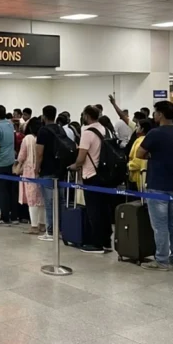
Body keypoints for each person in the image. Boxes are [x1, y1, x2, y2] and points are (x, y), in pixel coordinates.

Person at [137, 101, 173, 271]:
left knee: (160, 225)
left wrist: (153, 155)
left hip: (158, 182)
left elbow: (139, 153)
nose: (154, 115)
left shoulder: (155, 133)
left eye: (155, 112)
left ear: (161, 114)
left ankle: (162, 260)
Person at [69, 105, 111, 254]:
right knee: (104, 209)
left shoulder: (87, 132)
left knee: (94, 210)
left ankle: (96, 244)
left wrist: (74, 166)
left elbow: (81, 158)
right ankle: (106, 241)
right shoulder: (104, 129)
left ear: (86, 116)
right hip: (105, 174)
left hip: (91, 174)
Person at [36, 106, 68, 241]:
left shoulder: (43, 131)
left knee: (49, 202)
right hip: (60, 169)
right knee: (60, 201)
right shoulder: (61, 129)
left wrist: (37, 169)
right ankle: (61, 229)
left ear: (44, 116)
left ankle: (50, 231)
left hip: (47, 170)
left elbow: (39, 153)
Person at [17, 118, 44, 235]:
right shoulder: (42, 137)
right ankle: (42, 224)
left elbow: (21, 156)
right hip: (41, 170)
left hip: (29, 171)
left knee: (32, 198)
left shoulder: (27, 138)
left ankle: (34, 226)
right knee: (41, 198)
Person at [127, 120, 151, 191]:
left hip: (138, 176)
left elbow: (138, 161)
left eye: (137, 126)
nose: (136, 128)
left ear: (142, 129)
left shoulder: (140, 141)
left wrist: (129, 165)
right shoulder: (147, 140)